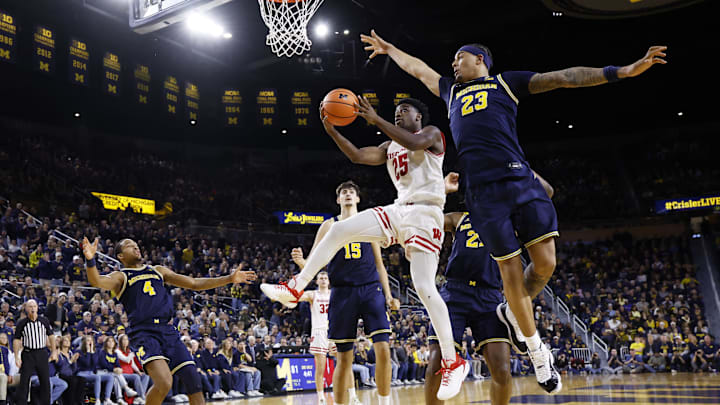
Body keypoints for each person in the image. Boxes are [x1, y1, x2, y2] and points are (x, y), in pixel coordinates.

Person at [361, 29, 667, 394]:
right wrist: (390, 48)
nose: (453, 63)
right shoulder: (450, 91)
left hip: (519, 178)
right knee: (508, 269)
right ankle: (537, 351)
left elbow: (564, 78)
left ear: (480, 60)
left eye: (460, 57)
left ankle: (510, 312)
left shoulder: (505, 83)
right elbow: (418, 70)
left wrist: (621, 71)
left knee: (545, 264)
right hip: (482, 191)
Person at [262, 97, 469, 401]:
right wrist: (332, 130)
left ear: (419, 117)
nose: (398, 114)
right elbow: (359, 156)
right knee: (340, 229)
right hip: (400, 210)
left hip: (426, 214)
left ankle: (454, 362)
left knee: (425, 287)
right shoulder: (389, 147)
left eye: (404, 111)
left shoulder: (433, 135)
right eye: (395, 111)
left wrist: (375, 119)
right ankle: (295, 287)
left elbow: (413, 143)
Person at [426, 171, 553, 405]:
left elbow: (546, 192)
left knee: (502, 370)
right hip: (454, 292)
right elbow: (424, 217)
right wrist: (441, 189)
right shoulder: (459, 218)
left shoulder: (511, 220)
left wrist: (518, 165)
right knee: (436, 362)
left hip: (491, 297)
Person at [81, 236, 257, 405]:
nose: (136, 247)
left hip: (167, 330)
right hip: (144, 333)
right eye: (129, 245)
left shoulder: (157, 270)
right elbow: (96, 281)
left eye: (136, 244)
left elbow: (194, 283)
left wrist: (229, 279)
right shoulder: (121, 276)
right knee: (165, 382)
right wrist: (90, 260)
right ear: (120, 256)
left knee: (194, 380)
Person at [289, 180, 399, 405]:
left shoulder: (369, 222)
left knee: (384, 350)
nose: (348, 194)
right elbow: (314, 263)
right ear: (338, 200)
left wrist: (388, 295)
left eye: (352, 192)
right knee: (344, 358)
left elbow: (380, 264)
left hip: (370, 289)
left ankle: (385, 402)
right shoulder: (329, 225)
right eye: (343, 193)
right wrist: (302, 262)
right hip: (342, 292)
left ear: (357, 199)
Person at [295, 272, 332, 404]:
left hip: (333, 331)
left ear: (328, 281)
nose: (323, 280)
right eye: (320, 278)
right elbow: (297, 296)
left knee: (343, 364)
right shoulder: (312, 294)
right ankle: (320, 395)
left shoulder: (334, 294)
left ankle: (348, 393)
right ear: (316, 281)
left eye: (325, 278)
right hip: (319, 332)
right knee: (320, 367)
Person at [12, 299, 56, 405]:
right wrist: (17, 357)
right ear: (26, 308)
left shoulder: (44, 320)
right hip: (28, 353)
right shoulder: (22, 323)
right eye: (30, 306)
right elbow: (17, 340)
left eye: (34, 306)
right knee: (24, 381)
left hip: (41, 352)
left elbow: (51, 336)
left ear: (37, 308)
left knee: (45, 381)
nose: (32, 308)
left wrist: (54, 351)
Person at [77, 335, 114, 405]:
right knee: (97, 377)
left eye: (91, 340)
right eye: (88, 340)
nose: (89, 342)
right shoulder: (79, 351)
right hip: (82, 373)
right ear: (84, 342)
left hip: (91, 373)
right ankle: (97, 399)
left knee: (110, 377)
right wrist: (88, 351)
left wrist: (91, 351)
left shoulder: (95, 351)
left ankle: (107, 399)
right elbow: (87, 364)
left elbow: (94, 364)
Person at [117, 334, 150, 403]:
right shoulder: (117, 351)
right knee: (135, 377)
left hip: (130, 372)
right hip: (122, 373)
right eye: (124, 340)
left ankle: (139, 397)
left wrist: (138, 371)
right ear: (120, 341)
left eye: (127, 339)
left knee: (146, 375)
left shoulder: (128, 350)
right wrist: (131, 355)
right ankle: (142, 397)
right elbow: (126, 360)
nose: (126, 341)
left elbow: (132, 364)